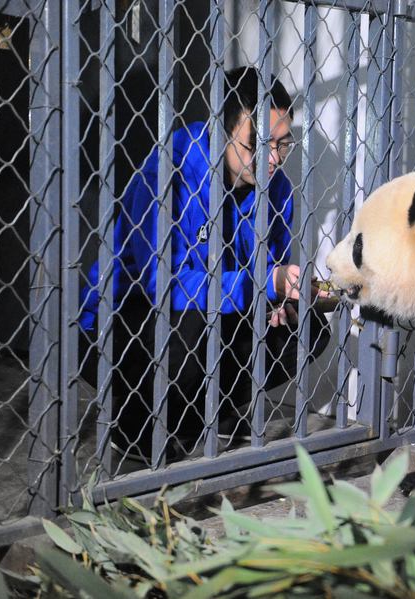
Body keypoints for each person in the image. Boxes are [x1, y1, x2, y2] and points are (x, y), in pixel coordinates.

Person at [79, 67, 332, 463]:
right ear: (220, 129)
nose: (273, 159)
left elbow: (266, 274)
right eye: (259, 144)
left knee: (310, 329)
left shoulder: (277, 189)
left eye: (284, 145)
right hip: (123, 322)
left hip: (207, 316)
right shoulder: (167, 174)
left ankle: (213, 411)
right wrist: (264, 284)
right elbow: (163, 284)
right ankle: (133, 427)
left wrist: (282, 301)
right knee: (194, 319)